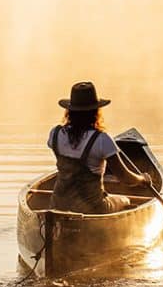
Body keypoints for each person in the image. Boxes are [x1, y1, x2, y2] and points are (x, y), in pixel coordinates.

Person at [47, 81, 151, 214]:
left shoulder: (55, 134)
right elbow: (125, 178)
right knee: (125, 200)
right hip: (93, 209)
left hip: (58, 205)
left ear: (70, 111)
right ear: (95, 111)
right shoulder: (102, 140)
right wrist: (142, 179)